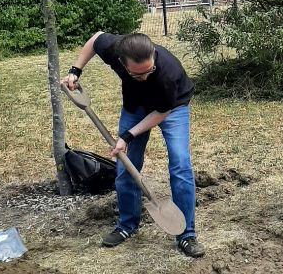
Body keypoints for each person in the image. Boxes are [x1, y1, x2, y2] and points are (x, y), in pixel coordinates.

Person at [62, 31, 205, 258]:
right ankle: (127, 225)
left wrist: (127, 136)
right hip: (135, 106)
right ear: (122, 62)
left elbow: (161, 112)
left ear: (153, 57)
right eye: (137, 75)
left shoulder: (167, 71)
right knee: (127, 164)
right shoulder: (114, 48)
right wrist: (75, 70)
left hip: (171, 108)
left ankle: (186, 234)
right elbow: (96, 38)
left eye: (149, 71)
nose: (145, 77)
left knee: (180, 164)